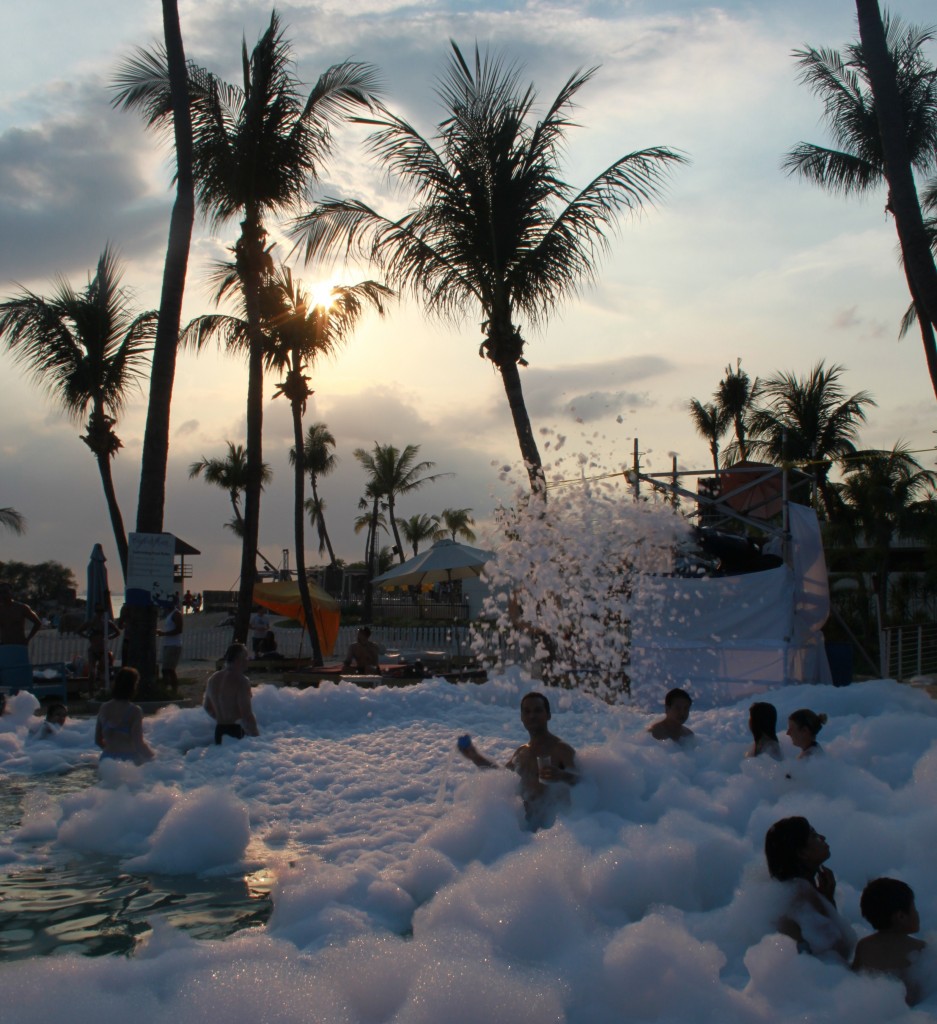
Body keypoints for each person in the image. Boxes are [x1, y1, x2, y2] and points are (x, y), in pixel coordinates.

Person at [459, 691, 577, 830]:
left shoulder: (561, 750)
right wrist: (475, 757)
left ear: (548, 715)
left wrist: (561, 775)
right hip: (525, 830)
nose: (532, 715)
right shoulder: (522, 752)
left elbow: (586, 784)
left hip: (554, 831)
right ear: (521, 717)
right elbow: (502, 776)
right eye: (526, 712)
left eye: (538, 710)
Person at [764, 816, 854, 962]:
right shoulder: (801, 897)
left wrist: (828, 900)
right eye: (814, 835)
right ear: (802, 853)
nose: (822, 837)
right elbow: (838, 951)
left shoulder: (790, 892)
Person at [852, 878, 927, 1004]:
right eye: (914, 908)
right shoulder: (919, 949)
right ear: (901, 916)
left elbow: (852, 980)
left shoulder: (864, 946)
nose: (917, 913)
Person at [94, 667, 155, 764]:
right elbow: (139, 743)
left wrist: (112, 751)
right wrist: (155, 759)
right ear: (133, 686)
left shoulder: (103, 707)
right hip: (128, 761)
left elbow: (97, 740)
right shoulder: (134, 711)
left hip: (106, 760)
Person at [203, 642, 259, 745]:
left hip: (219, 731)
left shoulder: (213, 678)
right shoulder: (241, 680)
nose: (248, 660)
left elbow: (207, 707)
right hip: (235, 731)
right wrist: (257, 739)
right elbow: (246, 713)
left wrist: (222, 719)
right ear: (239, 659)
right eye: (246, 657)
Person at [77, 605, 119, 688]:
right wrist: (87, 637)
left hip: (103, 650)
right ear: (95, 612)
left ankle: (101, 690)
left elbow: (117, 632)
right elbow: (79, 631)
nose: (99, 614)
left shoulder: (107, 623)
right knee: (92, 672)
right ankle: (91, 692)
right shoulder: (91, 623)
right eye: (98, 612)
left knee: (102, 671)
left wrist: (109, 637)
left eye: (101, 612)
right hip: (93, 650)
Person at [0, 582, 42, 646]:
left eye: (5, 592)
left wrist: (28, 639)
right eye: (0, 592)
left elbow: (38, 623)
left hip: (19, 644)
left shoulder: (22, 608)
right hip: (4, 646)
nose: (2, 595)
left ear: (11, 593)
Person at [157, 599, 184, 694]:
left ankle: (173, 690)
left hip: (174, 644)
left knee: (169, 669)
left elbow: (179, 629)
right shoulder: (170, 614)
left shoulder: (176, 614)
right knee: (166, 669)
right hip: (168, 644)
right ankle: (167, 689)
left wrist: (164, 633)